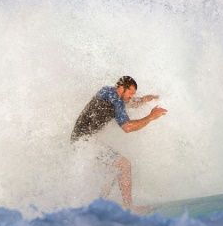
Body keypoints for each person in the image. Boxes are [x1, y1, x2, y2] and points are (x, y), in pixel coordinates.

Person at [71, 76, 167, 209]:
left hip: (79, 139)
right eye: (130, 93)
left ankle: (97, 205)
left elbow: (128, 102)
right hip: (86, 141)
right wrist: (151, 116)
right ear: (122, 88)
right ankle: (129, 207)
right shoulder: (116, 101)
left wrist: (144, 99)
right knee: (124, 165)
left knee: (111, 170)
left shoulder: (107, 91)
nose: (131, 96)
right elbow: (127, 127)